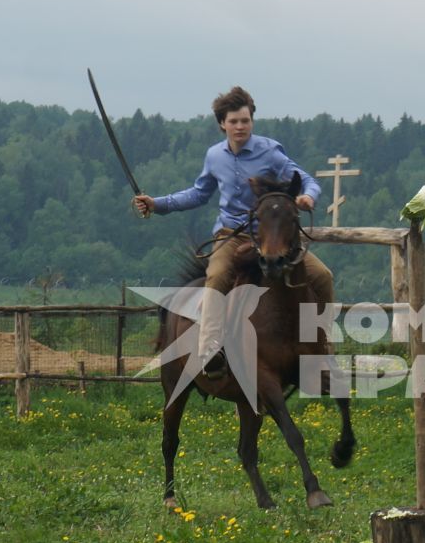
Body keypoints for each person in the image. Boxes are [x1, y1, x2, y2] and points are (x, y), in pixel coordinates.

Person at [133, 86, 332, 373]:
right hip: (230, 234)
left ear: (252, 121)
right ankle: (210, 348)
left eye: (245, 121)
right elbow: (198, 193)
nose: (240, 127)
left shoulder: (271, 152)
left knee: (323, 276)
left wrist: (308, 197)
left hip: (271, 235)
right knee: (215, 276)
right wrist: (157, 204)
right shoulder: (214, 156)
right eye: (234, 121)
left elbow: (307, 179)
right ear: (222, 124)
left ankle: (322, 347)